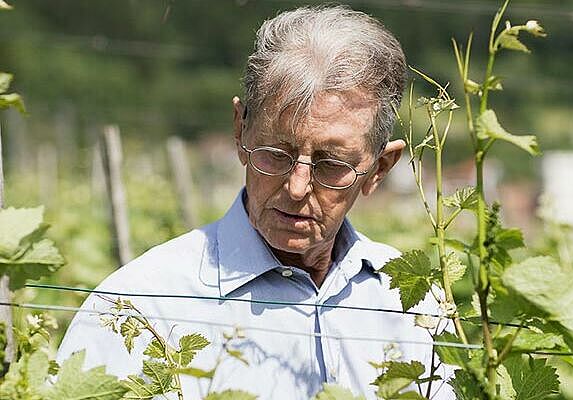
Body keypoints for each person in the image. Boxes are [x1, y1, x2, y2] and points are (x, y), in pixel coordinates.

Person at [57, 5, 454, 399]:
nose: (297, 188)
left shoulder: (415, 306)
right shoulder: (141, 306)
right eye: (276, 153)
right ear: (240, 130)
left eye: (331, 164)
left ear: (379, 169)